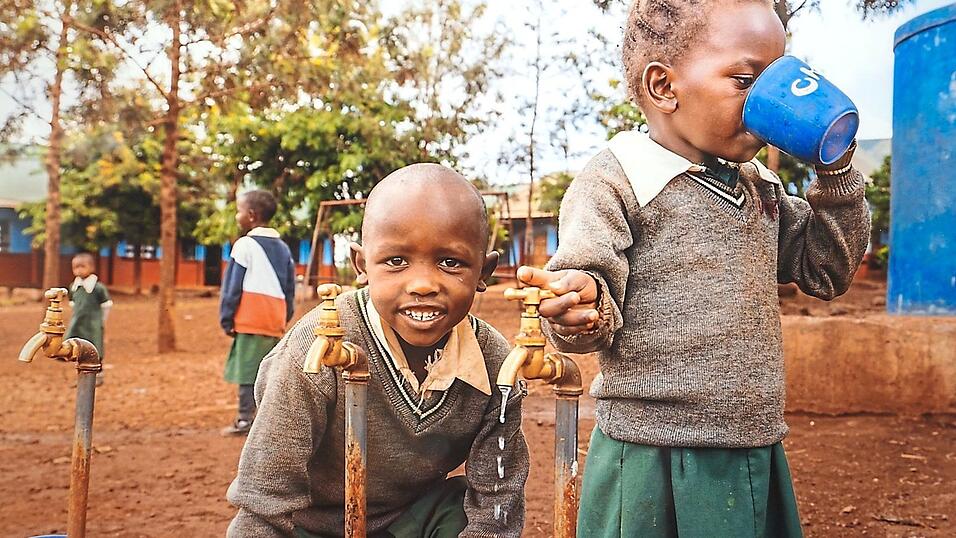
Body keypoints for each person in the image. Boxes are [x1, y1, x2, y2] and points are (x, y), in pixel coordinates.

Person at [517, 1, 870, 536]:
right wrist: (578, 306)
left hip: (750, 444)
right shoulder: (617, 180)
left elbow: (827, 269)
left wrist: (836, 169)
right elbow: (589, 280)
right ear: (663, 86)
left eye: (779, 79)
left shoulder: (757, 185)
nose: (766, 103)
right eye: (747, 81)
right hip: (648, 450)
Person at [227, 164, 529, 538]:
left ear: (484, 271)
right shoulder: (317, 348)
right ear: (362, 265)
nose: (422, 284)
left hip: (408, 521)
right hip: (312, 524)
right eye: (396, 261)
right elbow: (265, 499)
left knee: (461, 510)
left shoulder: (497, 365)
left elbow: (496, 502)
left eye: (451, 262)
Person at [220, 189, 296, 436]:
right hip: (274, 316)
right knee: (269, 368)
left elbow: (232, 285)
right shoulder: (284, 248)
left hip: (251, 315)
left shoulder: (244, 245)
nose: (236, 216)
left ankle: (245, 420)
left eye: (238, 211)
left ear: (251, 215)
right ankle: (268, 418)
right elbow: (289, 288)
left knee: (247, 369)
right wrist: (284, 316)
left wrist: (227, 317)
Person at [66, 252, 112, 386]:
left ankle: (99, 375)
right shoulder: (74, 287)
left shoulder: (98, 288)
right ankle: (81, 376)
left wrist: (101, 321)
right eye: (76, 267)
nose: (79, 270)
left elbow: (106, 305)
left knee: (95, 348)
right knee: (78, 349)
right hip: (78, 323)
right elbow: (73, 303)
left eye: (82, 266)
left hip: (93, 324)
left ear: (91, 267)